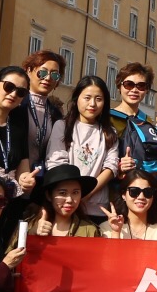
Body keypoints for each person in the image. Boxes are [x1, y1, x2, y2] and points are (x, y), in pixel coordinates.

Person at [48, 76, 119, 217]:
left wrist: (84, 195)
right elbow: (56, 163)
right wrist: (73, 196)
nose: (92, 104)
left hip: (97, 209)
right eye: (87, 97)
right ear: (77, 99)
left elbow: (111, 167)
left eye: (98, 99)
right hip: (66, 207)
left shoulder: (109, 132)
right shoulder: (62, 126)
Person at [111, 63, 157, 193]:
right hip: (115, 190)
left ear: (147, 90)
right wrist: (118, 166)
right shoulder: (107, 118)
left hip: (143, 191)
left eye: (141, 86)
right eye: (129, 84)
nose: (134, 90)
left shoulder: (148, 121)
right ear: (119, 86)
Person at [20, 50, 67, 172]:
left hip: (42, 180)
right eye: (42, 72)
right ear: (29, 71)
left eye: (54, 75)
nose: (47, 78)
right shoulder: (17, 105)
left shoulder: (55, 113)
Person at [28, 164, 104, 239]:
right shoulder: (30, 226)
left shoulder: (90, 231)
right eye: (62, 193)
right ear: (49, 196)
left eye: (75, 193)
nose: (69, 200)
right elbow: (18, 249)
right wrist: (32, 233)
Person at [103, 174, 157, 241]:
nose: (141, 197)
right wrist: (116, 232)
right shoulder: (107, 228)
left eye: (148, 192)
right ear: (123, 195)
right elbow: (109, 255)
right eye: (134, 191)